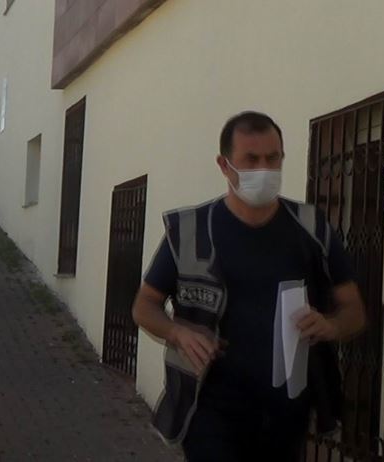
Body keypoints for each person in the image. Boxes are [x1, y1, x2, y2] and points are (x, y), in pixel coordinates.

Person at [132, 111, 366, 462]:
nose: (264, 169)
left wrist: (331, 326)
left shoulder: (313, 229)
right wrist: (178, 332)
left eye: (273, 159)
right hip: (211, 408)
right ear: (224, 166)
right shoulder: (191, 231)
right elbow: (144, 306)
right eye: (251, 160)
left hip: (287, 413)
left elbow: (355, 311)